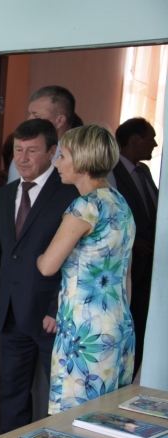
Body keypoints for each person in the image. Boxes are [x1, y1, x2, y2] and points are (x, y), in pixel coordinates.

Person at [36, 124, 135, 438]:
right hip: (117, 325)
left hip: (85, 334)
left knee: (75, 422)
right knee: (105, 421)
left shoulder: (84, 207)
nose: (57, 162)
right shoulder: (121, 204)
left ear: (82, 160)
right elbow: (125, 276)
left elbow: (48, 265)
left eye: (62, 155)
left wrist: (41, 249)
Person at [0, 119, 78, 434]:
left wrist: (57, 308)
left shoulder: (70, 194)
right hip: (10, 312)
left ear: (52, 151)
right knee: (12, 395)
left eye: (32, 151)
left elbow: (75, 260)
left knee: (61, 395)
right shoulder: (4, 196)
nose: (23, 158)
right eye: (19, 150)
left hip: (50, 315)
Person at [110, 117, 159, 376]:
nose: (155, 144)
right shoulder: (112, 171)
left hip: (149, 264)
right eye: (151, 139)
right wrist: (132, 240)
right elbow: (113, 214)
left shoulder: (144, 172)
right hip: (128, 264)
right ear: (135, 140)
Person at [7, 86, 77, 184]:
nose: (29, 120)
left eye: (36, 116)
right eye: (30, 114)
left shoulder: (79, 157)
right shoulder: (21, 156)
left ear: (60, 121)